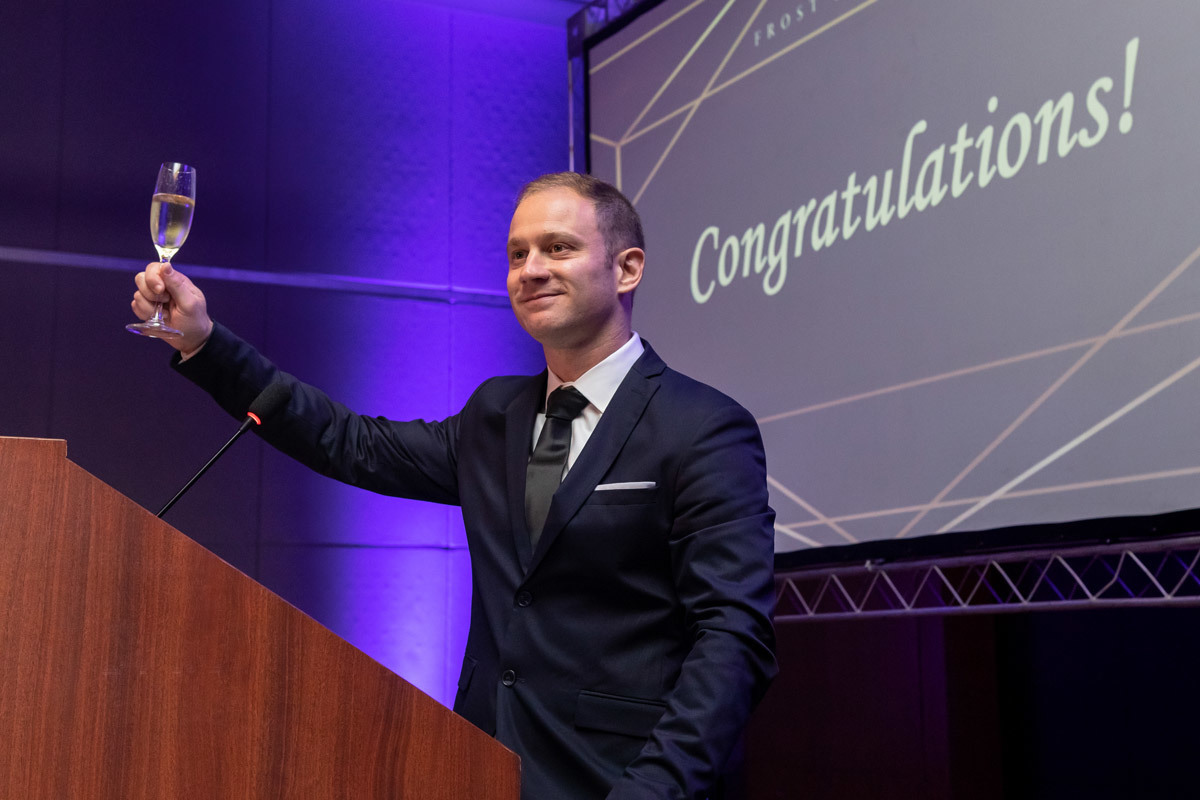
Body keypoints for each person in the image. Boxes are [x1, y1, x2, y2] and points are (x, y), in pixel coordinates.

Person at [131, 172, 778, 799]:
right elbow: (353, 444)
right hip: (480, 768)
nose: (531, 269)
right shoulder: (497, 414)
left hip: (618, 778)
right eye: (517, 253)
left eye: (559, 248)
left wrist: (654, 790)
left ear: (627, 268)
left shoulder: (702, 427)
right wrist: (204, 343)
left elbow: (732, 636)